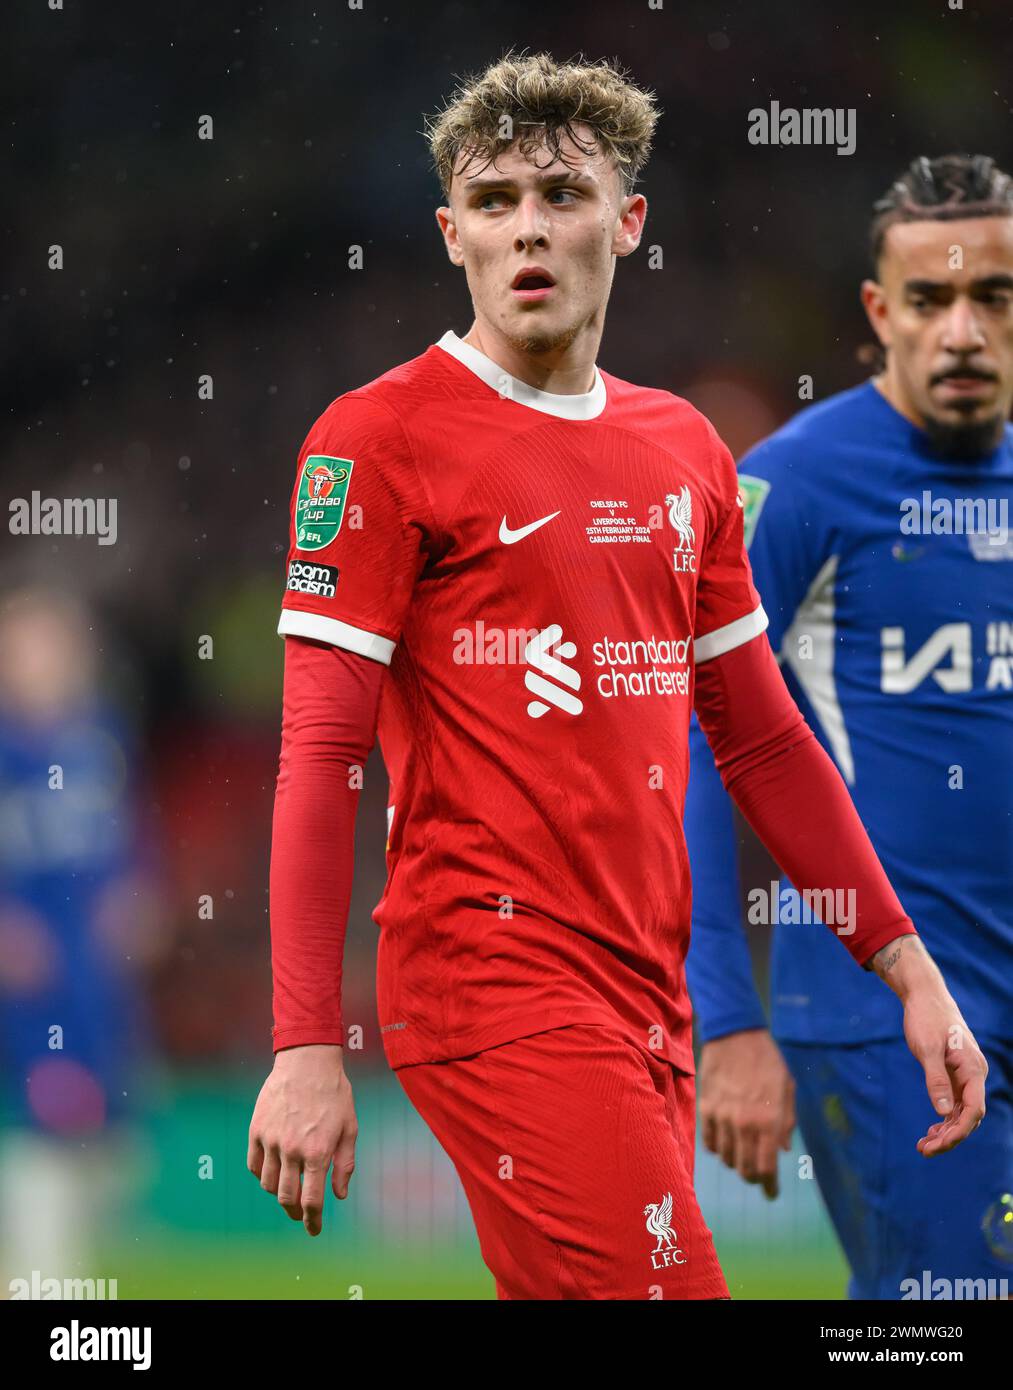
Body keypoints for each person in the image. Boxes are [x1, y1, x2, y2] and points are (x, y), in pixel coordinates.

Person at [248, 54, 987, 1300]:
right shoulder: (377, 439)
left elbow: (761, 743)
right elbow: (320, 758)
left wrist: (905, 966)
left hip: (644, 992)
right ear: (452, 235)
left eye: (560, 191)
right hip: (491, 984)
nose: (527, 224)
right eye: (492, 201)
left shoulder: (682, 450)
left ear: (626, 220)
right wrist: (305, 1045)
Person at [685, 154, 1013, 1299]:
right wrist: (721, 1018)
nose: (961, 331)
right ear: (879, 314)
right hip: (885, 1022)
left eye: (993, 298)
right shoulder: (794, 490)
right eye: (929, 301)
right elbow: (692, 746)